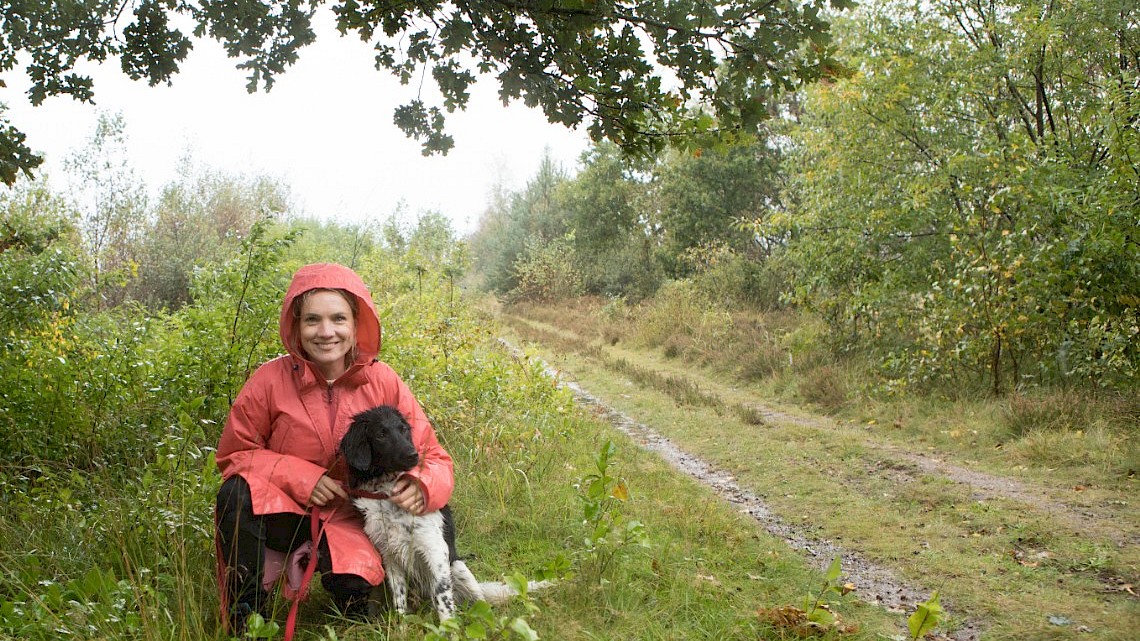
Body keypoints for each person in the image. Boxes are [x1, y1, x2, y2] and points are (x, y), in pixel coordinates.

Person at [214, 262, 454, 633]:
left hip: (356, 520)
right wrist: (302, 478)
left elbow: (433, 456)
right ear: (296, 326)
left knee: (357, 607)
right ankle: (246, 618)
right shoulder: (269, 380)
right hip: (288, 514)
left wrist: (423, 483)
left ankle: (355, 586)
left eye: (338, 318)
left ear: (357, 324)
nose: (326, 332)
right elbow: (235, 454)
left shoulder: (383, 380)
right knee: (235, 493)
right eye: (312, 320)